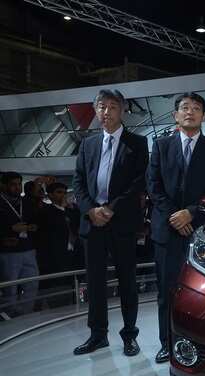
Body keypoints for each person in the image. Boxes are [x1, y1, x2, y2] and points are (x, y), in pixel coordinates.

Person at [147, 92, 205, 363]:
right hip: (166, 230)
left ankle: (201, 344)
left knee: (203, 292)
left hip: (200, 231)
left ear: (204, 115)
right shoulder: (160, 146)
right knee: (166, 291)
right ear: (175, 115)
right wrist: (175, 216)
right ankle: (167, 344)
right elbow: (153, 186)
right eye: (184, 108)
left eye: (195, 108)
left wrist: (190, 214)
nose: (189, 112)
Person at [72, 89, 148, 356]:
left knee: (127, 281)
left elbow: (139, 182)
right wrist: (91, 209)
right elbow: (78, 182)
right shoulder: (88, 144)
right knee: (94, 282)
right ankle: (97, 335)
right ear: (96, 110)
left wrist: (110, 208)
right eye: (101, 107)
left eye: (112, 107)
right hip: (92, 223)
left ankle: (129, 335)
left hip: (122, 223)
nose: (106, 112)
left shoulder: (137, 143)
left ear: (122, 110)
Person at [0, 172, 40, 316]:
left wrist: (33, 226)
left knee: (32, 284)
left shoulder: (26, 202)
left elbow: (35, 219)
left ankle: (25, 314)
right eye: (13, 184)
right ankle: (9, 318)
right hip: (8, 252)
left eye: (19, 184)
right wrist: (10, 229)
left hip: (28, 249)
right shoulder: (1, 203)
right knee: (10, 288)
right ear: (3, 185)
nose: (17, 188)